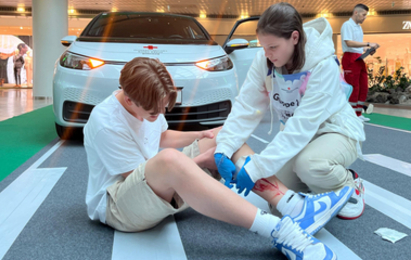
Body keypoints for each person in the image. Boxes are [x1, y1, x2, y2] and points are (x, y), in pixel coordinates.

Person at [84, 56, 354, 260]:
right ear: (129, 100)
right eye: (153, 112)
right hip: (120, 205)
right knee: (170, 161)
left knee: (226, 136)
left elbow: (160, 137)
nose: (158, 115)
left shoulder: (147, 100)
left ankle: (293, 205)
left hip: (153, 188)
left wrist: (203, 135)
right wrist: (200, 163)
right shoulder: (107, 122)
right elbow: (138, 177)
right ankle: (280, 231)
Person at [214, 2, 367, 223]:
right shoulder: (265, 59)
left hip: (335, 130)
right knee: (278, 205)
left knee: (310, 165)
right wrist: (224, 147)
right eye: (263, 46)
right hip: (302, 137)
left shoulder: (323, 65)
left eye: (273, 47)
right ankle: (319, 185)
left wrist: (255, 168)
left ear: (294, 37)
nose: (266, 54)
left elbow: (302, 126)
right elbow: (247, 107)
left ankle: (348, 184)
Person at [341, 4, 379, 122]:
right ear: (356, 13)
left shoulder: (359, 27)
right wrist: (368, 44)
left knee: (363, 85)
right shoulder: (347, 25)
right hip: (350, 58)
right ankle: (351, 114)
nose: (365, 17)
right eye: (363, 15)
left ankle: (358, 114)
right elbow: (349, 43)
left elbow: (357, 45)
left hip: (358, 57)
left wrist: (367, 50)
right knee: (353, 86)